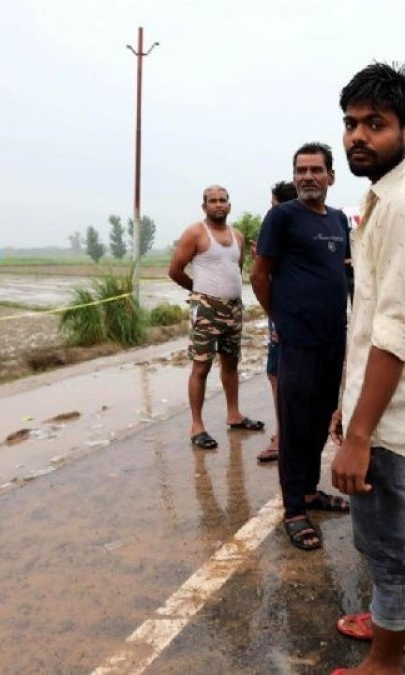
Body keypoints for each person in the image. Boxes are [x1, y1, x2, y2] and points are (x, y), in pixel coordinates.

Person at [328, 62, 405, 675]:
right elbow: (372, 320)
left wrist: (359, 435)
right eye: (351, 123)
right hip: (378, 407)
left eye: (374, 124)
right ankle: (389, 626)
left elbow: (393, 337)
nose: (357, 136)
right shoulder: (385, 197)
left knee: (389, 543)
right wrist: (347, 407)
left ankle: (385, 662)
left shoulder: (404, 205)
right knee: (383, 535)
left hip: (388, 417)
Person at [252, 144, 352, 550]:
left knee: (319, 419)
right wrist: (279, 319)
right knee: (294, 426)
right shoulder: (282, 217)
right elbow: (260, 275)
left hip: (333, 338)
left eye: (316, 169)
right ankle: (294, 509)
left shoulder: (339, 220)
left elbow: (341, 271)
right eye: (301, 170)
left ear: (331, 176)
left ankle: (310, 492)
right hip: (297, 341)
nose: (308, 176)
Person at [168, 186, 265, 450]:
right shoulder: (195, 233)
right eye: (213, 201)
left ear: (229, 205)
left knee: (231, 362)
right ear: (204, 206)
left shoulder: (238, 236)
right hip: (206, 309)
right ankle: (197, 426)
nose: (218, 205)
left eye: (223, 200)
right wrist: (198, 291)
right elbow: (175, 270)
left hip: (233, 308)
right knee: (201, 366)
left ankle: (234, 414)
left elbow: (237, 268)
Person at [256, 180, 298, 463]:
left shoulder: (279, 226)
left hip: (285, 313)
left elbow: (259, 275)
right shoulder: (318, 224)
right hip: (304, 315)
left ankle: (284, 437)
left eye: (273, 205)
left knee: (279, 375)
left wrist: (275, 317)